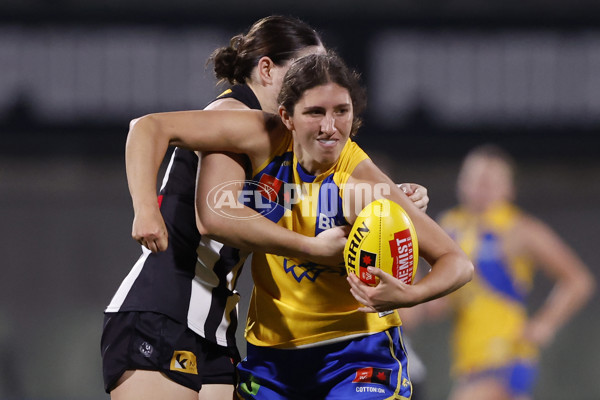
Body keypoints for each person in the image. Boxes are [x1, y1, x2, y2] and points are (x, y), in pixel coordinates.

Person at [102, 16, 429, 400]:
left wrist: (384, 199)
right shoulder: (238, 117)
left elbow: (299, 201)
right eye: (306, 69)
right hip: (164, 307)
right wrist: (145, 208)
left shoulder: (279, 144)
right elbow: (149, 132)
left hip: (216, 324)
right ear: (267, 69)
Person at [432, 144, 595, 400]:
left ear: (509, 189)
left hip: (507, 357)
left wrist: (545, 324)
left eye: (490, 181)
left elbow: (578, 280)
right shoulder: (450, 227)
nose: (480, 188)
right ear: (461, 183)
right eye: (474, 179)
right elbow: (437, 305)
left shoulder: (519, 230)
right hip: (468, 362)